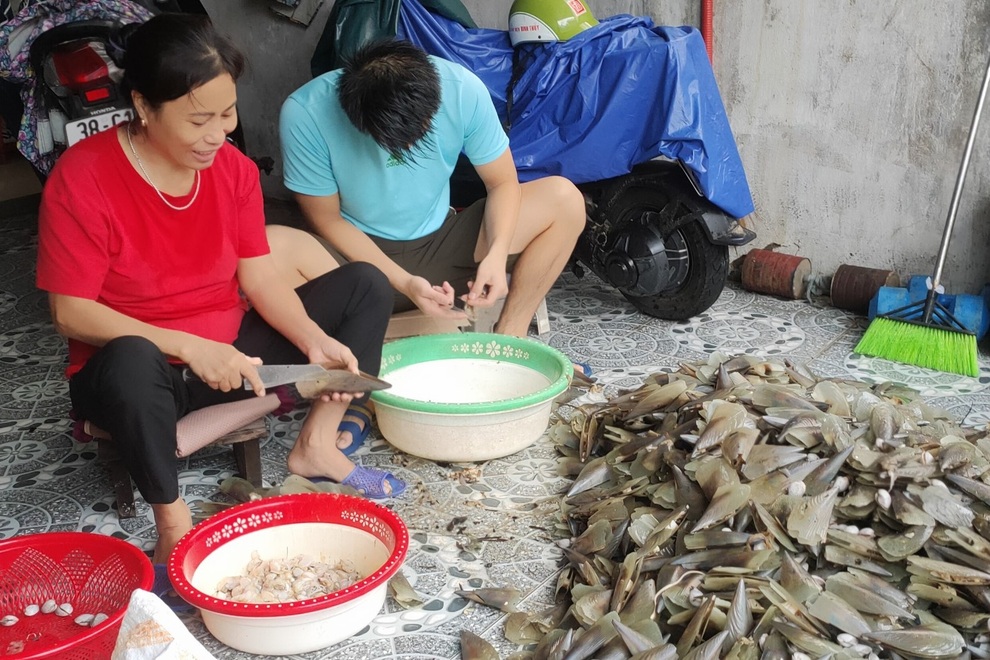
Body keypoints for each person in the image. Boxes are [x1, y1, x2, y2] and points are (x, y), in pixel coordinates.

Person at [35, 14, 403, 566]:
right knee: (134, 359)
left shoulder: (232, 170)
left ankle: (317, 445)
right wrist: (187, 347)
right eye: (198, 119)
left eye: (227, 113)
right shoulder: (84, 176)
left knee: (364, 286)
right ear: (143, 106)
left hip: (232, 360)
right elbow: (70, 312)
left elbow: (257, 274)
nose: (218, 134)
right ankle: (174, 523)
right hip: (134, 377)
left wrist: (310, 337)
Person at [279, 39, 586, 338]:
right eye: (397, 141)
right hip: (355, 263)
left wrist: (497, 252)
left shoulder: (461, 89)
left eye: (420, 132)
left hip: (440, 245)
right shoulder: (306, 113)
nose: (410, 146)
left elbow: (503, 182)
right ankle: (354, 343)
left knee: (564, 200)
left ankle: (510, 337)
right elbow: (327, 219)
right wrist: (404, 282)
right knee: (271, 250)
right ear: (360, 120)